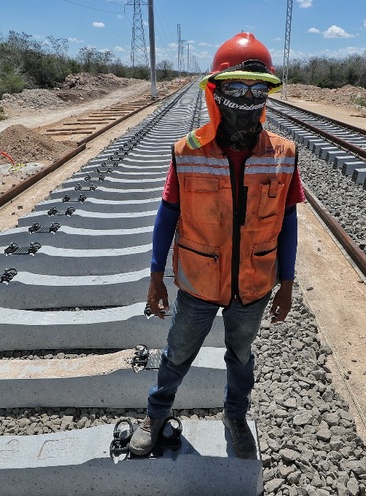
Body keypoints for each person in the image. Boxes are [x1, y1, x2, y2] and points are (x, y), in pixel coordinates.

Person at [129, 32, 305, 459]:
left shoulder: (284, 153)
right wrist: (155, 274)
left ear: (268, 93)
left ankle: (236, 416)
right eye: (236, 88)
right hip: (199, 280)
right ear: (216, 91)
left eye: (257, 88)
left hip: (253, 282)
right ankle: (155, 413)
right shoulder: (187, 151)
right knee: (178, 352)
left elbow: (288, 219)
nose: (247, 96)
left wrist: (287, 281)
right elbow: (167, 213)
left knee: (241, 357)